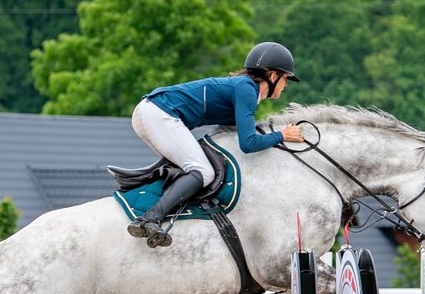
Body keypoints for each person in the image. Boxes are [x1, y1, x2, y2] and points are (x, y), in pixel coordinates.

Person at [126, 41, 306, 247]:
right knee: (203, 172)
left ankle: (156, 212)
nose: (287, 85)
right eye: (286, 78)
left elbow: (233, 132)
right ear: (273, 76)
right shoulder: (247, 89)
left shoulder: (243, 88)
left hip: (151, 112)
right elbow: (248, 144)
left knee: (192, 168)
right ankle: (150, 219)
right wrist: (282, 135)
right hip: (159, 113)